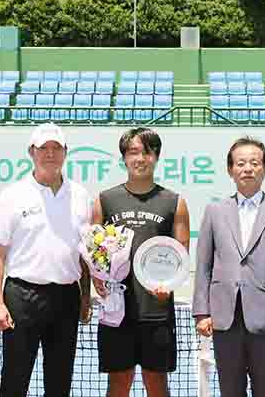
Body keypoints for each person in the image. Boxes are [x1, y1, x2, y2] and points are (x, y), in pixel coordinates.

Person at [0, 122, 92, 397]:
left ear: (66, 153)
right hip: (22, 297)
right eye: (43, 148)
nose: (50, 154)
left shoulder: (80, 196)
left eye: (56, 148)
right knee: (14, 379)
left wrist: (84, 297)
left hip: (66, 298)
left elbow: (85, 253)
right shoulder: (13, 195)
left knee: (59, 382)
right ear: (31, 152)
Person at [192, 136, 265, 397]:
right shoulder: (214, 211)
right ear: (230, 170)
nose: (248, 168)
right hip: (224, 318)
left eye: (254, 162)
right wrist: (201, 312)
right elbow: (204, 264)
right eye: (241, 163)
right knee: (230, 390)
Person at [92, 127, 190, 397]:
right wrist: (97, 278)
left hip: (156, 308)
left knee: (156, 383)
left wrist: (168, 285)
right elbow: (93, 250)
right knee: (119, 382)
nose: (140, 158)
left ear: (157, 156)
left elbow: (181, 254)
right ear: (124, 157)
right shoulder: (105, 200)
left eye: (147, 152)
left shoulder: (174, 202)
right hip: (116, 308)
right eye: (133, 152)